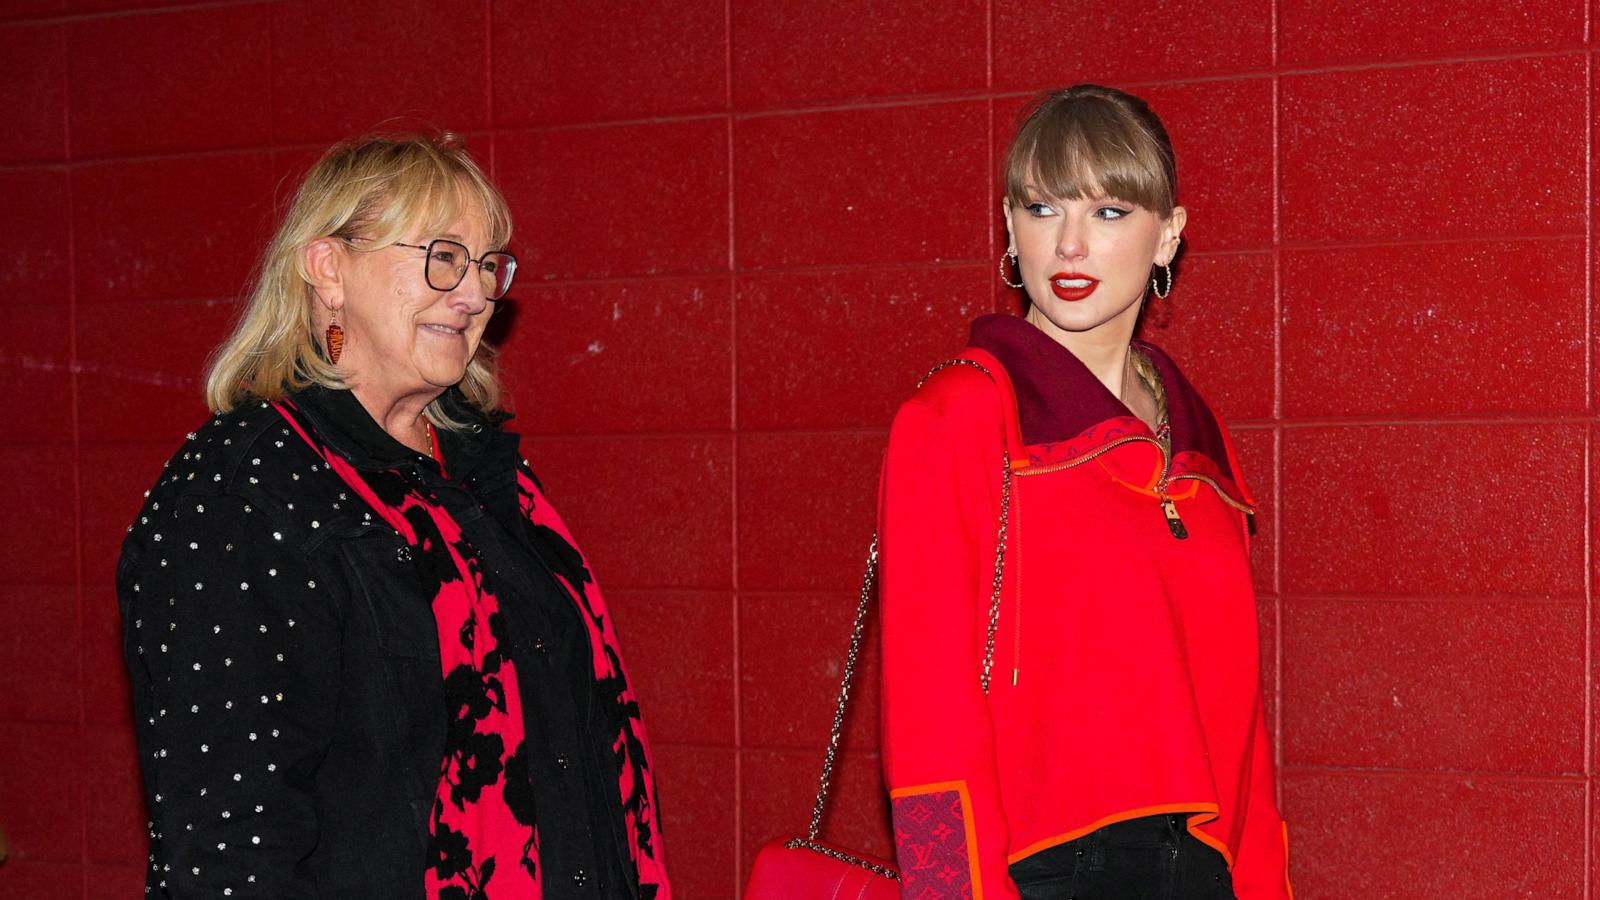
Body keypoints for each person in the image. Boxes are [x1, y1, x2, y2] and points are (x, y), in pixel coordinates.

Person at [117, 133, 671, 899]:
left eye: (486, 267)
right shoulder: (248, 484)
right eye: (442, 256)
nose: (474, 293)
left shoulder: (483, 471)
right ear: (328, 269)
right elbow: (231, 839)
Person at [878, 85, 1291, 899]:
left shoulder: (1200, 442)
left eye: (1108, 212)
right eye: (1042, 207)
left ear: (1168, 233)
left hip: (1201, 872)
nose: (1069, 244)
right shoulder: (958, 416)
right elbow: (925, 724)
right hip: (1041, 875)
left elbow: (1245, 734)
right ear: (1009, 225)